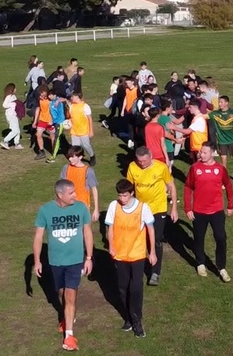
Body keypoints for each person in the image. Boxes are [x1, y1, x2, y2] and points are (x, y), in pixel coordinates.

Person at [32, 179, 94, 352]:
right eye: (71, 193)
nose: (75, 195)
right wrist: (37, 261)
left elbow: (87, 232)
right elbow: (38, 237)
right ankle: (67, 315)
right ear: (60, 195)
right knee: (61, 293)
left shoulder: (81, 208)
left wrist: (88, 257)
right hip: (56, 261)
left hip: (75, 261)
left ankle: (69, 335)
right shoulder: (45, 211)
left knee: (70, 295)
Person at [105, 178, 156, 338]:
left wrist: (152, 251)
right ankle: (128, 317)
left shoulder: (143, 208)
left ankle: (137, 321)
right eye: (120, 195)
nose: (122, 199)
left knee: (136, 288)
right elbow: (110, 228)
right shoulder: (114, 206)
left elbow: (151, 230)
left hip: (137, 254)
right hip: (120, 254)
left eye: (125, 195)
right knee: (122, 288)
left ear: (132, 193)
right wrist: (111, 246)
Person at [125, 146, 176, 286]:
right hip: (140, 209)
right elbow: (129, 188)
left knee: (157, 239)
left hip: (158, 209)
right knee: (143, 239)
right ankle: (140, 264)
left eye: (145, 161)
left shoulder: (161, 167)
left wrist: (174, 209)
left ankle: (155, 272)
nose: (142, 164)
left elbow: (171, 186)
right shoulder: (132, 167)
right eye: (140, 161)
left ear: (151, 156)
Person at [184, 143, 233, 282]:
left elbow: (229, 186)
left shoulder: (220, 169)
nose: (201, 154)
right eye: (201, 152)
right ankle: (200, 263)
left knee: (220, 238)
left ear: (213, 153)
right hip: (199, 211)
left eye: (205, 152)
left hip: (217, 210)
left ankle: (221, 267)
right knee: (199, 238)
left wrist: (230, 205)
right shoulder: (195, 168)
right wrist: (188, 208)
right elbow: (188, 187)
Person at [67, 92, 95, 166]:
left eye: (72, 97)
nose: (71, 98)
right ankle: (77, 159)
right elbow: (70, 116)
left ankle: (92, 156)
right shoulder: (71, 106)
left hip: (83, 130)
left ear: (77, 97)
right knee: (75, 147)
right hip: (74, 130)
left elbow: (89, 119)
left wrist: (91, 131)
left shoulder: (85, 106)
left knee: (86, 145)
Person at [1, 83, 23, 150]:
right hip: (10, 115)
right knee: (15, 130)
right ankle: (5, 141)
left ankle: (17, 143)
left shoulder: (13, 96)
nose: (16, 89)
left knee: (17, 130)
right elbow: (4, 105)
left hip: (14, 114)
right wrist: (12, 104)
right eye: (14, 88)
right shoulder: (9, 96)